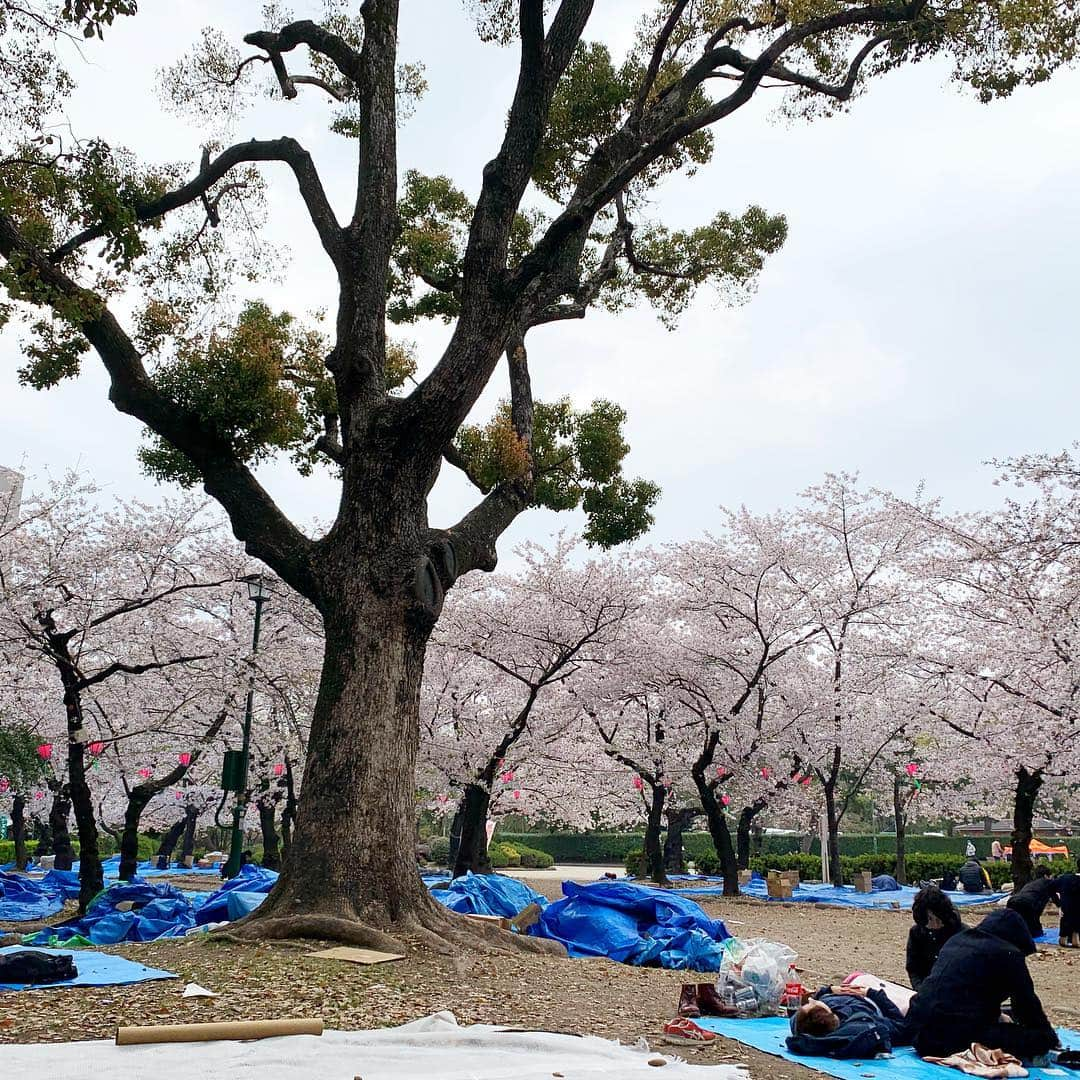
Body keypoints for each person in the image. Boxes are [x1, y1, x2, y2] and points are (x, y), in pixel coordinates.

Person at [906, 908, 1058, 1062]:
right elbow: (1027, 1007)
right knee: (1038, 1039)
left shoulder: (957, 940)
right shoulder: (1008, 953)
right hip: (948, 1039)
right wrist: (1048, 1036)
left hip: (916, 1029)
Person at [787, 984, 911, 1059]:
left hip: (847, 990)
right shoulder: (865, 1021)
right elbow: (902, 1026)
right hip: (872, 995)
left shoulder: (805, 1024)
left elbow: (799, 1017)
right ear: (824, 1012)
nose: (811, 1000)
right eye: (812, 1004)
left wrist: (829, 990)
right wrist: (872, 994)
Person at [906, 885, 963, 989]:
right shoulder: (916, 933)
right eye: (930, 919)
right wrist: (921, 989)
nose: (936, 924)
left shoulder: (962, 933)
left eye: (938, 919)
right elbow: (913, 968)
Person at [1006, 864, 1060, 939]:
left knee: (1018, 923)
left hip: (1012, 901)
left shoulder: (1030, 884)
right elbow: (1054, 896)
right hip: (1026, 903)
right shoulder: (1047, 882)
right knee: (1035, 929)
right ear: (1045, 876)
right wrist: (1060, 905)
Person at [1054, 858, 1080, 948]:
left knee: (1066, 919)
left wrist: (1059, 903)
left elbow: (1050, 888)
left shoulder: (1065, 878)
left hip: (1066, 910)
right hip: (1077, 913)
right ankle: (1075, 939)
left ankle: (1064, 938)